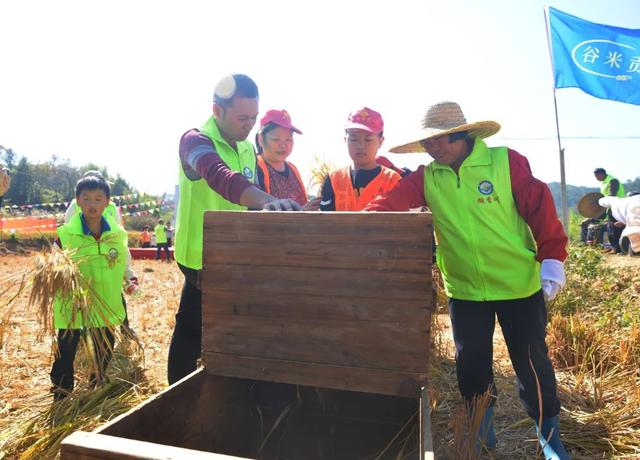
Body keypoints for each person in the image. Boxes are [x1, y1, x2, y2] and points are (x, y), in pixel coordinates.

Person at [364, 101, 570, 459]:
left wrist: (552, 256)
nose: (433, 148)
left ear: (463, 135)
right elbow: (387, 203)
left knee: (531, 362)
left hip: (517, 285)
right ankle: (480, 431)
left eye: (441, 140)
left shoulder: (505, 163)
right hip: (465, 290)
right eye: (428, 143)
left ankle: (549, 436)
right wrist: (353, 223)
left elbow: (539, 206)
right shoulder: (428, 177)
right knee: (472, 364)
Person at [171, 73, 301, 384]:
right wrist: (270, 200)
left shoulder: (245, 148)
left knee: (218, 324)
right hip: (200, 255)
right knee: (193, 329)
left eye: (254, 117)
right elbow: (221, 178)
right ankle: (177, 392)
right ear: (218, 111)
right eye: (243, 118)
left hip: (232, 254)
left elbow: (248, 196)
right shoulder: (195, 140)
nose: (250, 125)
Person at [50, 175, 128, 401]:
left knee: (104, 351)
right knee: (65, 352)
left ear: (107, 202)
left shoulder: (118, 235)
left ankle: (94, 392)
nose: (92, 204)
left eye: (98, 199)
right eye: (86, 199)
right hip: (72, 304)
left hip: (105, 303)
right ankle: (62, 394)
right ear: (77, 202)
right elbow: (54, 265)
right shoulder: (65, 234)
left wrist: (130, 280)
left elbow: (124, 263)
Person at [320, 107, 401, 211]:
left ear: (381, 141)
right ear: (345, 140)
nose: (360, 145)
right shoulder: (334, 179)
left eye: (368, 139)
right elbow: (325, 221)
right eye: (354, 139)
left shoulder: (392, 180)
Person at [255, 109, 308, 206]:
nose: (283, 145)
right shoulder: (254, 167)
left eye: (288, 139)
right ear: (261, 139)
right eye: (276, 139)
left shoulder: (293, 169)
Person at [594, 168, 626, 253]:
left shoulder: (612, 180)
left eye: (597, 175)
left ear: (602, 174)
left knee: (615, 227)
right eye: (595, 176)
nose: (596, 178)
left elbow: (612, 195)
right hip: (610, 207)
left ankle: (618, 249)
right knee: (610, 228)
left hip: (618, 207)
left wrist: (602, 201)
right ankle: (614, 247)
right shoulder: (603, 183)